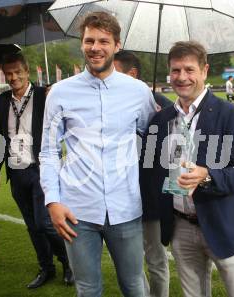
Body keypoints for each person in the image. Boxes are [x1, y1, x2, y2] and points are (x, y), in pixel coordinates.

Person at [39, 12, 156, 297]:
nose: (95, 47)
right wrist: (52, 201)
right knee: (88, 289)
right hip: (77, 211)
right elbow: (49, 151)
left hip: (125, 208)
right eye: (89, 40)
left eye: (104, 41)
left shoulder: (139, 92)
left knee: (135, 286)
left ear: (117, 45)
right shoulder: (60, 93)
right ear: (82, 44)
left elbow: (150, 138)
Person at [140, 41, 234, 297]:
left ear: (204, 70)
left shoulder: (231, 114)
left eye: (189, 70)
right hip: (180, 227)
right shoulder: (160, 120)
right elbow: (150, 170)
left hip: (223, 222)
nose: (182, 77)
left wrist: (207, 175)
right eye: (175, 70)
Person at [0, 53, 74, 289]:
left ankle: (68, 263)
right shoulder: (2, 99)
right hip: (16, 172)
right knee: (31, 226)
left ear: (27, 72)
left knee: (45, 224)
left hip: (41, 169)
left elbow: (67, 116)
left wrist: (57, 92)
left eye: (17, 72)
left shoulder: (44, 95)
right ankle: (46, 268)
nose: (13, 77)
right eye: (8, 73)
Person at [114, 50, 170, 297]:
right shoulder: (110, 107)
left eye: (113, 72)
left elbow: (174, 152)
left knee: (155, 259)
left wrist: (158, 120)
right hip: (120, 199)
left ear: (132, 74)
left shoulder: (164, 106)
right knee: (130, 263)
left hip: (150, 197)